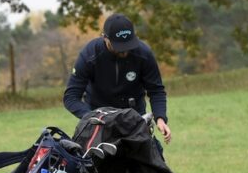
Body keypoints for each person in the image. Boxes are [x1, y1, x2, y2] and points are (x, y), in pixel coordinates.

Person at [63, 13, 171, 146]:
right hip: (98, 122)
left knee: (155, 161)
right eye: (119, 46)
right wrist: (93, 117)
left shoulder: (144, 54)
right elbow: (71, 97)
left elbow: (156, 90)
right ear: (105, 38)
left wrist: (160, 118)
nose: (125, 51)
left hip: (134, 119)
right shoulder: (90, 55)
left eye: (128, 45)